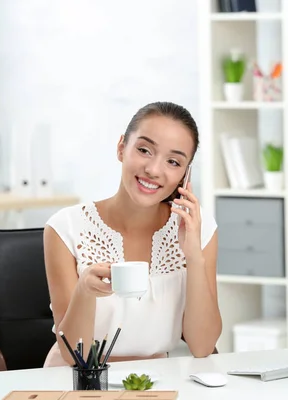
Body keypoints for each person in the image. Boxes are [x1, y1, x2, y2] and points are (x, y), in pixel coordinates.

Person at [42, 101, 222, 367]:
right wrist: (84, 290)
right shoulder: (64, 228)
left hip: (156, 381)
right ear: (121, 148)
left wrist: (193, 256)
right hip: (80, 379)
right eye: (144, 150)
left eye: (173, 161)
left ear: (185, 175)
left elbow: (203, 346)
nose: (154, 170)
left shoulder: (199, 227)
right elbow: (73, 354)